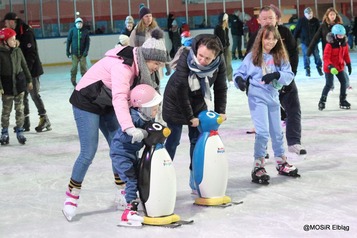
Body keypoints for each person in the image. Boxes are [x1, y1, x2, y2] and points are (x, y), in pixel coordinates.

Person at [62, 28, 168, 221]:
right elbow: (120, 98)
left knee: (118, 145)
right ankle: (72, 196)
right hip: (87, 102)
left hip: (106, 103)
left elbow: (139, 99)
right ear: (146, 58)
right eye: (156, 63)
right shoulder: (124, 67)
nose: (157, 67)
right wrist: (128, 127)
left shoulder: (141, 70)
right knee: (89, 150)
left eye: (160, 64)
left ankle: (122, 191)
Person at [234, 25, 298, 184]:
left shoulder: (280, 56)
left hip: (273, 97)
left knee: (276, 131)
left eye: (273, 38)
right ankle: (258, 164)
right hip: (257, 97)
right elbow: (239, 73)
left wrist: (277, 74)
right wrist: (240, 81)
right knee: (262, 132)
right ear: (260, 39)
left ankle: (281, 161)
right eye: (267, 38)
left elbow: (289, 75)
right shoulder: (252, 57)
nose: (270, 42)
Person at [162, 34, 227, 193]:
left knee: (196, 141)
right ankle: (161, 174)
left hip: (198, 102)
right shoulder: (186, 56)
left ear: (215, 57)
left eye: (208, 59)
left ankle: (195, 177)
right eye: (200, 56)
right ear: (196, 50)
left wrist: (221, 111)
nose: (202, 61)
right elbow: (181, 90)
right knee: (173, 140)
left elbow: (220, 87)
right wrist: (190, 118)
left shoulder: (219, 63)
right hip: (175, 101)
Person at [246, 6, 305, 155]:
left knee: (293, 110)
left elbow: (293, 54)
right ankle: (263, 149)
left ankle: (294, 142)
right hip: (263, 86)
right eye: (264, 18)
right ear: (259, 21)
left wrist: (289, 77)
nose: (268, 21)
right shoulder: (255, 37)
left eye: (270, 18)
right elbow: (248, 63)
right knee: (265, 119)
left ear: (276, 19)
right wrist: (249, 86)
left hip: (283, 79)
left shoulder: (284, 33)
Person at [111, 84, 162, 227]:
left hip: (132, 153)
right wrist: (137, 133)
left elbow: (150, 133)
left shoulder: (148, 119)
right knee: (131, 179)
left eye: (156, 107)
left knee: (140, 176)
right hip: (121, 154)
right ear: (142, 107)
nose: (156, 111)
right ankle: (129, 212)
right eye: (153, 108)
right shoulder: (132, 118)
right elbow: (125, 138)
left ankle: (136, 200)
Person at [3, 12, 51, 132]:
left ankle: (44, 119)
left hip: (32, 70)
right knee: (23, 96)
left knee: (34, 94)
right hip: (21, 71)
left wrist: (27, 72)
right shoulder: (15, 33)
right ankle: (25, 122)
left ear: (12, 21)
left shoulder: (26, 32)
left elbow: (31, 54)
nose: (5, 25)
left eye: (6, 22)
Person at [0, 28, 33, 145]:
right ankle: (4, 132)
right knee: (6, 111)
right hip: (7, 86)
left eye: (15, 39)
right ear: (4, 41)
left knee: (20, 110)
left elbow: (24, 66)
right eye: (12, 39)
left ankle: (20, 131)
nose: (14, 41)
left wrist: (29, 80)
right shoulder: (0, 53)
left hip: (19, 85)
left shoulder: (18, 51)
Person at [318, 24, 351, 111]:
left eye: (342, 35)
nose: (341, 37)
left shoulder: (344, 44)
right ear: (334, 35)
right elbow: (326, 57)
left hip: (339, 67)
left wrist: (348, 64)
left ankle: (342, 100)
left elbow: (346, 55)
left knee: (344, 82)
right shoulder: (330, 45)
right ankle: (322, 101)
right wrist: (330, 66)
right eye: (339, 35)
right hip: (329, 68)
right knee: (329, 84)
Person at [294, 7, 323, 77]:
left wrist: (320, 38)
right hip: (305, 42)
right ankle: (307, 69)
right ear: (305, 14)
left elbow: (319, 31)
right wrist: (294, 40)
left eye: (311, 13)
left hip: (314, 42)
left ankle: (319, 68)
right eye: (308, 13)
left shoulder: (315, 20)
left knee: (317, 55)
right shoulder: (301, 21)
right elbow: (297, 31)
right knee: (306, 56)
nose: (310, 15)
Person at [66, 17, 90, 87]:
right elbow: (68, 41)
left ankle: (84, 80)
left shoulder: (85, 31)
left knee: (83, 67)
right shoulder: (72, 31)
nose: (79, 24)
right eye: (78, 23)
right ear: (75, 24)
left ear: (82, 24)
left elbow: (87, 43)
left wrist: (86, 51)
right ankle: (73, 80)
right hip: (74, 53)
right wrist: (67, 51)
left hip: (83, 53)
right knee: (74, 67)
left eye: (80, 23)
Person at [214, 13, 233, 85]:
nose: (227, 20)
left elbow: (226, 38)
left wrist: (227, 43)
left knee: (228, 62)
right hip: (220, 49)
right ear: (223, 19)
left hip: (226, 48)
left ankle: (230, 78)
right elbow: (216, 38)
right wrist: (219, 47)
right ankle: (221, 78)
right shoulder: (217, 28)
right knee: (221, 64)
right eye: (226, 19)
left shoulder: (226, 28)